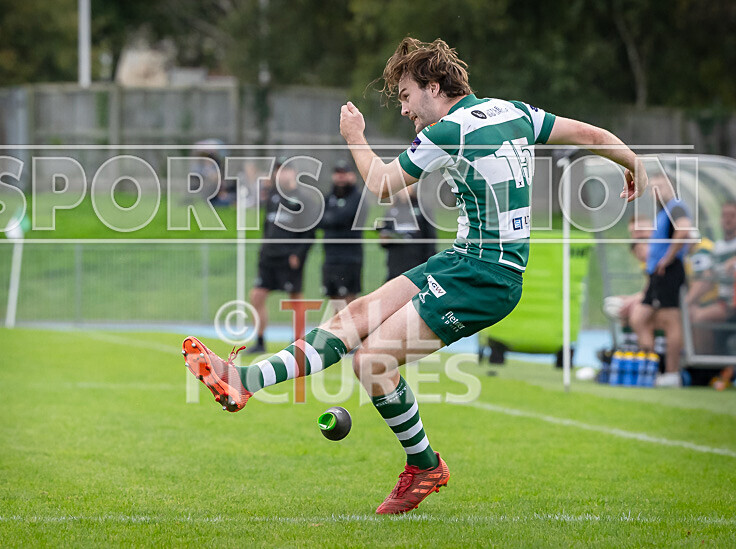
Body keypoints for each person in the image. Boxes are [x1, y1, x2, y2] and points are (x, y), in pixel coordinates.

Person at [182, 37, 647, 514]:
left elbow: (382, 184)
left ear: (433, 86)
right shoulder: (514, 111)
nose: (404, 109)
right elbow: (591, 136)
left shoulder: (448, 132)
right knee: (355, 318)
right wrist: (633, 164)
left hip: (485, 278)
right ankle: (244, 380)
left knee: (371, 362)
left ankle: (425, 465)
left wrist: (355, 137)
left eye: (405, 96)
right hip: (463, 260)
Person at [245, 160, 316, 354]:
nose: (281, 174)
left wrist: (298, 254)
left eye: (285, 170)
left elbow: (309, 233)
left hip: (289, 258)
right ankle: (260, 341)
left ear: (293, 173)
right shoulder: (273, 196)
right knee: (257, 296)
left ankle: (299, 341)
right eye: (278, 171)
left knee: (295, 298)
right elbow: (267, 226)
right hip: (269, 257)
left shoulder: (303, 200)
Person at [630, 175, 694, 387]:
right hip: (657, 273)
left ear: (671, 188)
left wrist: (667, 258)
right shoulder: (663, 212)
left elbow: (684, 230)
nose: (656, 190)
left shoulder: (676, 207)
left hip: (669, 270)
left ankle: (672, 373)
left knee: (670, 320)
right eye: (653, 187)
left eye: (661, 185)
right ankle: (652, 368)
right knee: (639, 318)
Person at [686, 200, 736, 389]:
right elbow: (708, 277)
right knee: (692, 314)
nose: (728, 220)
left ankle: (707, 367)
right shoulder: (718, 247)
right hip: (723, 301)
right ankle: (703, 366)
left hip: (731, 303)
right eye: (725, 216)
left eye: (733, 216)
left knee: (700, 316)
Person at [319, 160, 364, 307]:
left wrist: (331, 218)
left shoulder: (357, 198)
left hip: (350, 258)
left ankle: (353, 324)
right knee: (335, 302)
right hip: (331, 257)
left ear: (352, 176)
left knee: (349, 302)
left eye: (344, 173)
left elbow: (344, 216)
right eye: (338, 173)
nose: (340, 177)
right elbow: (319, 221)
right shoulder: (328, 197)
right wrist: (332, 218)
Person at [377, 184, 437, 281]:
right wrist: (384, 239)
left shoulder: (422, 208)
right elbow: (385, 234)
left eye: (406, 187)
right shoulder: (392, 209)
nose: (403, 191)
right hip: (395, 262)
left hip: (416, 261)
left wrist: (429, 260)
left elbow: (430, 236)